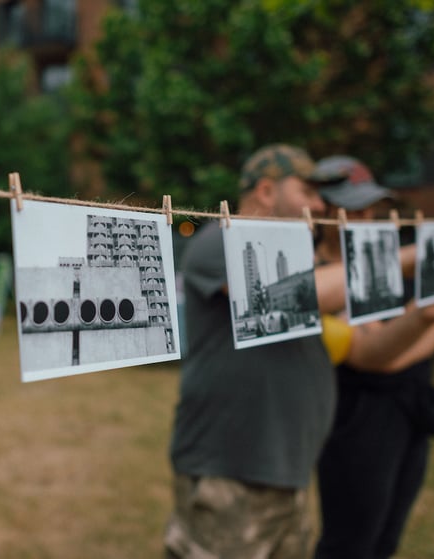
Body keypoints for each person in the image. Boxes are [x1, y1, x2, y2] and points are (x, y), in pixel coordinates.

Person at [164, 144, 341, 559]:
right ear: (266, 191)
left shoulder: (294, 258)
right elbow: (295, 294)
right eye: (307, 192)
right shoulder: (217, 241)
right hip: (229, 470)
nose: (319, 206)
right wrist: (405, 261)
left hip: (285, 473)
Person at [312, 155, 434, 559]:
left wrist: (420, 326)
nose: (365, 215)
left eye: (368, 206)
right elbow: (374, 355)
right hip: (355, 419)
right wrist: (423, 317)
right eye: (352, 207)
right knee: (350, 541)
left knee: (386, 540)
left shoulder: (390, 263)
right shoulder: (320, 277)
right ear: (323, 209)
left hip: (411, 410)